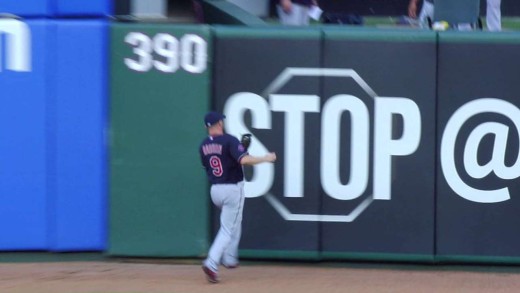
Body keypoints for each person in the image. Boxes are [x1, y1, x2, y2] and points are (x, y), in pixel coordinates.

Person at [199, 111, 277, 283]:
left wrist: (242, 149)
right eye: (222, 121)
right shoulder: (229, 140)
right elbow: (244, 161)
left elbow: (216, 164)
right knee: (227, 228)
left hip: (216, 190)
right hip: (232, 189)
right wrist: (266, 158)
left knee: (235, 220)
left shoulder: (203, 145)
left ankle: (230, 258)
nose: (223, 123)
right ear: (219, 123)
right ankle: (212, 262)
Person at [408, 0, 501, 31]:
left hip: (454, 11)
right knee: (432, 28)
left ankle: (496, 35)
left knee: (463, 27)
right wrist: (414, 2)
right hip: (434, 7)